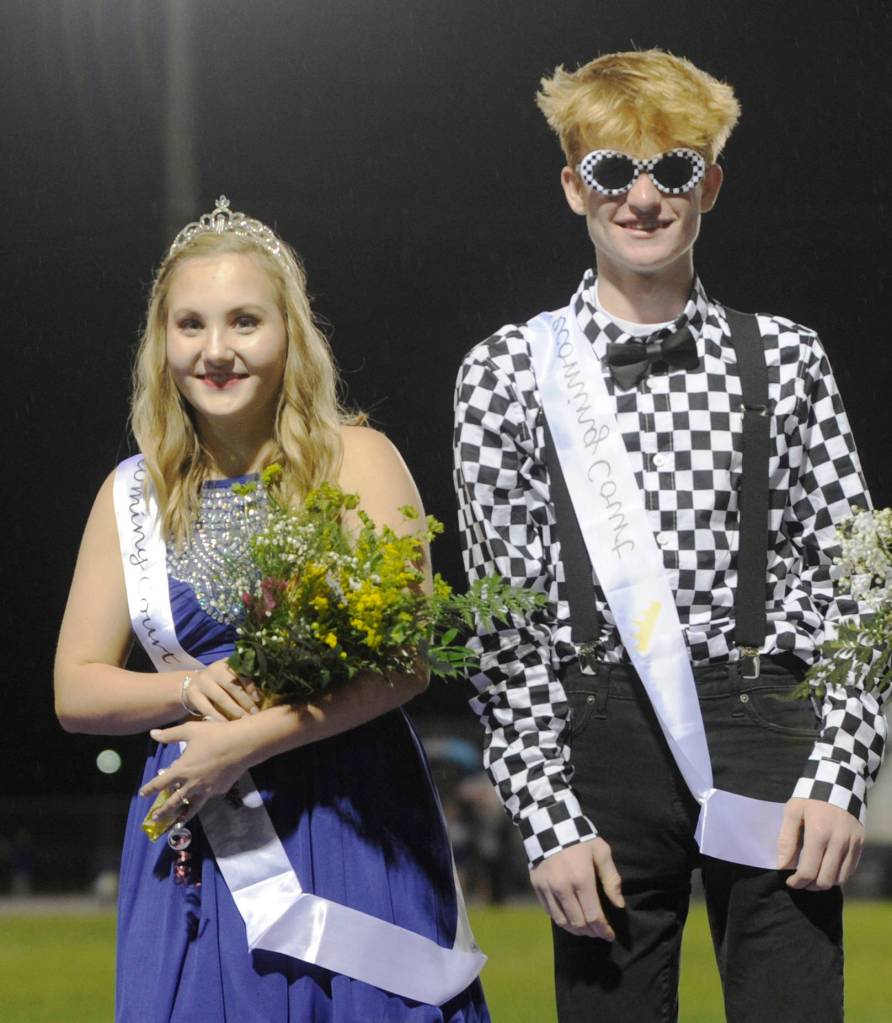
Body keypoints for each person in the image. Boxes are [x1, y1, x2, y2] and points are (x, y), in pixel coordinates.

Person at [453, 50, 885, 1022]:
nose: (642, 198)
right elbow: (503, 623)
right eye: (612, 170)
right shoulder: (505, 372)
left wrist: (839, 772)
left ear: (711, 185)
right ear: (573, 186)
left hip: (770, 725)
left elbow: (860, 585)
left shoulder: (788, 357)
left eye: (673, 170)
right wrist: (546, 817)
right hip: (593, 735)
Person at [55, 196, 489, 1022]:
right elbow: (75, 689)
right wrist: (187, 693)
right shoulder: (130, 496)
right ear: (162, 345)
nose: (217, 351)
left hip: (352, 815)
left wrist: (246, 737)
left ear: (290, 333)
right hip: (202, 830)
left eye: (245, 321)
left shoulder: (356, 458)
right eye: (191, 326)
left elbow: (405, 663)